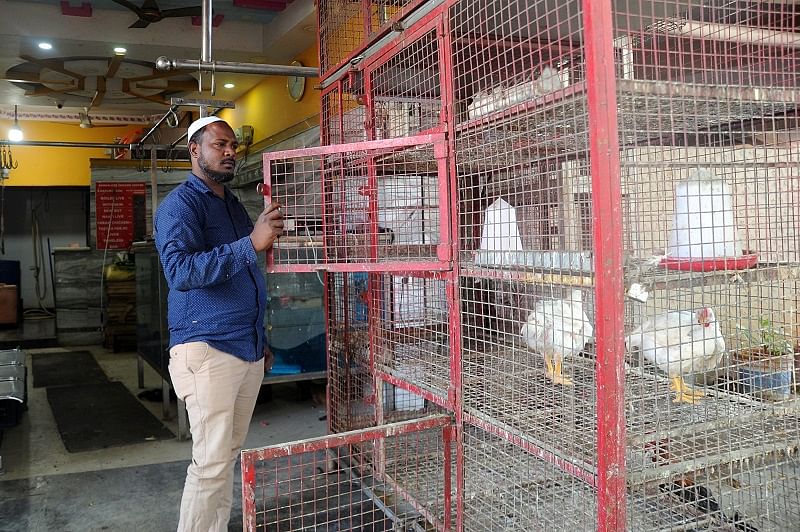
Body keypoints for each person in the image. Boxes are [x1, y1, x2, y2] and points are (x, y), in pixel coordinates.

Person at [154, 116, 284, 531]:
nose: (230, 152)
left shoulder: (230, 204)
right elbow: (180, 271)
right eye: (219, 145)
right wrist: (251, 243)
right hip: (207, 348)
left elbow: (245, 269)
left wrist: (258, 338)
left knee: (226, 455)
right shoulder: (180, 206)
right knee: (210, 463)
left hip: (243, 348)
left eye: (233, 146)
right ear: (195, 150)